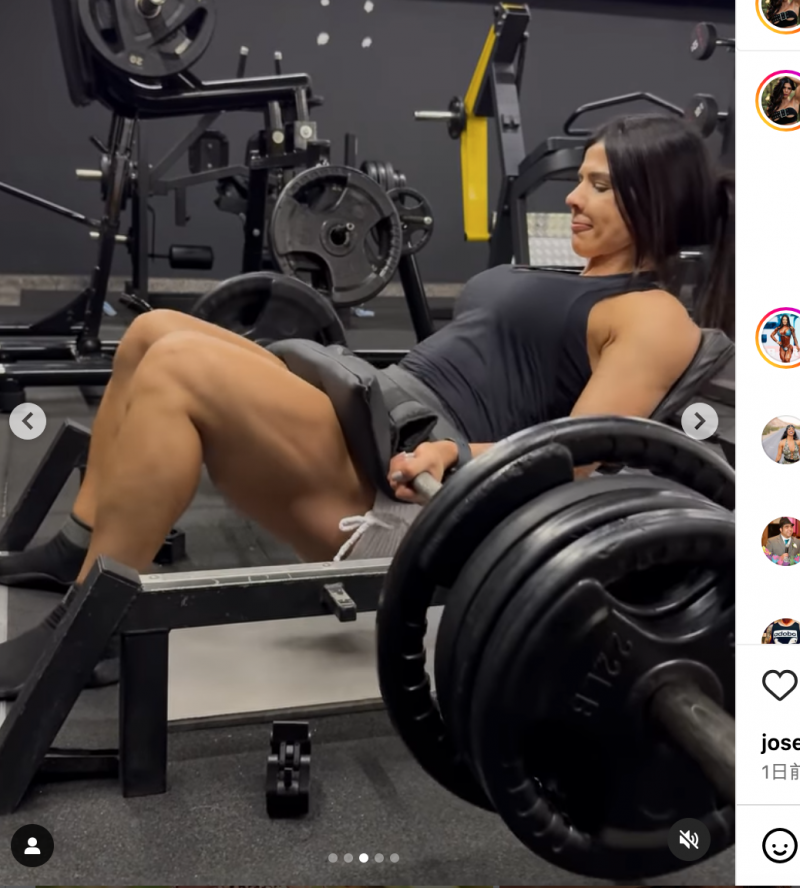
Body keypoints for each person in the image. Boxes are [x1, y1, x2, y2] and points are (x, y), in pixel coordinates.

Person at [0, 114, 735, 699]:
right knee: (152, 332)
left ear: (653, 199)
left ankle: (87, 631)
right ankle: (77, 544)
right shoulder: (581, 279)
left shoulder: (653, 317)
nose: (572, 198)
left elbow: (582, 454)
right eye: (579, 181)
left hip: (406, 484)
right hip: (376, 410)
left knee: (176, 370)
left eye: (599, 186)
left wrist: (457, 456)